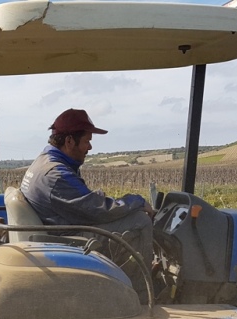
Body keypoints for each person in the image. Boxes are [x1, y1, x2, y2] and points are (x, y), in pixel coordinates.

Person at [20, 108, 155, 294]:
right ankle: (140, 293)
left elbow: (83, 202)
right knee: (140, 222)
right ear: (69, 141)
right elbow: (98, 210)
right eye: (87, 141)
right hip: (64, 240)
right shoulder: (56, 174)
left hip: (58, 230)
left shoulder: (45, 162)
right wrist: (137, 202)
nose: (90, 147)